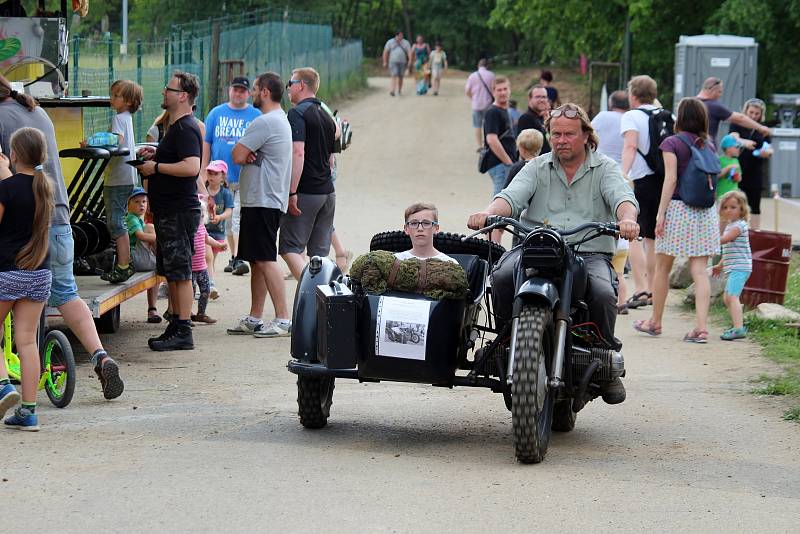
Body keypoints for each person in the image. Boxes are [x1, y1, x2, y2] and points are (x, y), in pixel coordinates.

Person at [467, 103, 640, 405]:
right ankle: (508, 342)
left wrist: (627, 219)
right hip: (535, 247)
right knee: (503, 276)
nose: (561, 140)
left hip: (588, 251)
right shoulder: (536, 167)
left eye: (569, 134)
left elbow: (623, 198)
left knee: (602, 291)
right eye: (556, 133)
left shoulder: (605, 168)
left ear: (586, 135)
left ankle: (604, 359)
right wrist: (488, 212)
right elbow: (511, 196)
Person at [0, 74, 124, 400]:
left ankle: (8, 382)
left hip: (24, 227)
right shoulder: (35, 109)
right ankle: (100, 355)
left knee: (15, 299)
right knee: (67, 292)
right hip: (59, 219)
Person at [634, 97, 720, 344]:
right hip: (705, 212)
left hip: (679, 209)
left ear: (680, 118)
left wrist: (661, 214)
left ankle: (655, 322)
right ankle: (701, 328)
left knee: (663, 267)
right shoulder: (708, 145)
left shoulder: (672, 142)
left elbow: (670, 180)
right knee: (700, 270)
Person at [138, 72, 203, 351]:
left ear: (183, 95)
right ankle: (176, 323)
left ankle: (184, 329)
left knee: (180, 271)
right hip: (169, 211)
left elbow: (192, 167)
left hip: (178, 211)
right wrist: (157, 156)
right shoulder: (174, 127)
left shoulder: (186, 127)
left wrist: (157, 168)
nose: (164, 92)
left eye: (169, 88)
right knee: (172, 271)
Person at [228, 71, 293, 338]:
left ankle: (283, 319)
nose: (253, 93)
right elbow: (242, 155)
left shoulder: (265, 122)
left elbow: (237, 154)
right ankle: (255, 316)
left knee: (266, 259)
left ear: (265, 91)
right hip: (263, 199)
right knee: (256, 259)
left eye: (255, 89)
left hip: (263, 200)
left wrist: (246, 155)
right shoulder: (278, 120)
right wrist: (247, 155)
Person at [0, 127, 53, 431]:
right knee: (26, 342)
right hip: (39, 274)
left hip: (7, 271)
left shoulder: (6, 189)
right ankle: (29, 412)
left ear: (15, 154)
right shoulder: (45, 188)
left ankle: (5, 386)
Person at [280, 67, 339, 283]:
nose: (288, 88)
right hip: (327, 192)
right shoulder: (327, 115)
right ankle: (325, 305)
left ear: (301, 85)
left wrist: (292, 191)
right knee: (319, 256)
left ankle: (313, 296)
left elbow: (298, 152)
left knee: (290, 248)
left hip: (306, 191)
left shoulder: (297, 113)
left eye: (290, 83)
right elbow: (332, 159)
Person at [202, 77, 261, 277]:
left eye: (243, 91)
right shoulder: (216, 113)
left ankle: (238, 257)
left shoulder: (255, 115)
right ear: (229, 90)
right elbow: (207, 143)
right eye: (236, 90)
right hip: (220, 178)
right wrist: (204, 169)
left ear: (248, 93)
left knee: (235, 217)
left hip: (245, 175)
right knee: (228, 220)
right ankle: (235, 256)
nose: (239, 93)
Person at [620, 75, 662, 311]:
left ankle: (641, 287)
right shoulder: (666, 115)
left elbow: (630, 146)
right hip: (663, 180)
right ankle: (655, 288)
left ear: (633, 95)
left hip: (641, 179)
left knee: (634, 235)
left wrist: (622, 175)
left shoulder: (631, 116)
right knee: (653, 237)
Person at [101, 79, 143, 284]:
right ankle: (124, 262)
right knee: (119, 220)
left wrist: (94, 141)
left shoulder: (119, 118)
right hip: (127, 175)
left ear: (127, 101)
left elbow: (116, 140)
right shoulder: (126, 117)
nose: (112, 98)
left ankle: (124, 265)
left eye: (116, 95)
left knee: (116, 222)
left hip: (118, 178)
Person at [712, 191, 752, 341]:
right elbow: (730, 251)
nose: (729, 210)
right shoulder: (730, 225)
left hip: (740, 268)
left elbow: (726, 240)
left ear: (742, 209)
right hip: (734, 267)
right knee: (727, 298)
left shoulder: (739, 226)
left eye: (733, 207)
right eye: (725, 207)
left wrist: (709, 239)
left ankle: (738, 328)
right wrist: (720, 265)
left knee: (732, 297)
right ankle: (737, 325)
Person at [729, 98, 773, 229]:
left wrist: (768, 152)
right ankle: (733, 231)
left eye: (757, 113)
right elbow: (733, 138)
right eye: (751, 112)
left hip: (755, 170)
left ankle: (754, 234)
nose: (753, 116)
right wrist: (744, 142)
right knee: (734, 202)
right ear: (746, 111)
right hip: (737, 168)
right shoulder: (737, 124)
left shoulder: (763, 129)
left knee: (755, 205)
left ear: (761, 114)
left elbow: (768, 147)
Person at [696, 77, 771, 141]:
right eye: (719, 92)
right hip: (704, 148)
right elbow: (740, 119)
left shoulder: (688, 103)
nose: (720, 95)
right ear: (713, 90)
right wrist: (760, 128)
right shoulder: (714, 106)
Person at [126, 187, 160, 323]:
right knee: (150, 228)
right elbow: (140, 236)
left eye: (144, 202)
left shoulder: (138, 219)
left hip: (140, 257)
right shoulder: (131, 219)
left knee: (150, 227)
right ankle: (160, 258)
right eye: (137, 202)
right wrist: (160, 239)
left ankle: (152, 308)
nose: (141, 205)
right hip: (136, 258)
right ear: (128, 205)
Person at [190, 195, 227, 325]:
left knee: (205, 290)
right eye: (196, 213)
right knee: (191, 292)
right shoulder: (188, 229)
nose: (199, 217)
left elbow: (207, 239)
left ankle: (201, 313)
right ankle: (187, 313)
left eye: (201, 214)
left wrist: (219, 245)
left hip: (202, 267)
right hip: (191, 268)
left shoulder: (201, 227)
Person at [482, 76, 517, 197]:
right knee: (500, 198)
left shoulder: (505, 110)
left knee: (505, 197)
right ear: (493, 92)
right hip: (500, 163)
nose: (503, 92)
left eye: (505, 89)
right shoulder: (493, 112)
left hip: (504, 163)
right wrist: (508, 162)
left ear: (510, 90)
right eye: (499, 90)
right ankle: (491, 217)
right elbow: (491, 139)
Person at [203, 160, 234, 297]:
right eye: (209, 172)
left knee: (211, 260)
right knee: (207, 257)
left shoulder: (225, 193)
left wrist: (220, 217)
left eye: (215, 174)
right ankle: (209, 285)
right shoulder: (203, 190)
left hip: (218, 233)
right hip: (204, 232)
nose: (211, 176)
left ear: (222, 176)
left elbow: (229, 211)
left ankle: (208, 283)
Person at [465, 59, 495, 151]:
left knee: (477, 125)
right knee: (488, 125)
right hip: (488, 105)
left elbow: (467, 91)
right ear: (487, 66)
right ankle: (487, 144)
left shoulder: (472, 76)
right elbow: (494, 89)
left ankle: (480, 145)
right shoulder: (491, 75)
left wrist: (473, 98)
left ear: (478, 65)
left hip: (476, 105)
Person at [592, 90, 629, 163]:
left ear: (611, 103)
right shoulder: (630, 120)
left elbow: (587, 134)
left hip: (600, 164)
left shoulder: (602, 116)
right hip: (623, 168)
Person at [517, 85, 551, 155]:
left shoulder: (542, 118)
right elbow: (528, 150)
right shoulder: (526, 118)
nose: (541, 100)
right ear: (530, 99)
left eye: (544, 97)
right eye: (538, 97)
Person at [382, 30, 412, 97]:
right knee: (394, 75)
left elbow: (409, 52)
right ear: (397, 35)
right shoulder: (390, 42)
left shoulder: (405, 42)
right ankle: (392, 90)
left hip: (402, 62)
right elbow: (385, 52)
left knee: (401, 76)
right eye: (401, 35)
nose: (402, 36)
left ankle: (399, 90)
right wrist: (385, 61)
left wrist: (410, 60)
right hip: (393, 61)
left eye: (402, 35)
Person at [716, 134, 743, 199]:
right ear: (728, 149)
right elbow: (716, 176)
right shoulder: (720, 160)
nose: (738, 149)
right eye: (736, 147)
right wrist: (728, 168)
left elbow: (739, 179)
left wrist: (737, 177)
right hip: (722, 194)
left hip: (734, 194)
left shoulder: (736, 161)